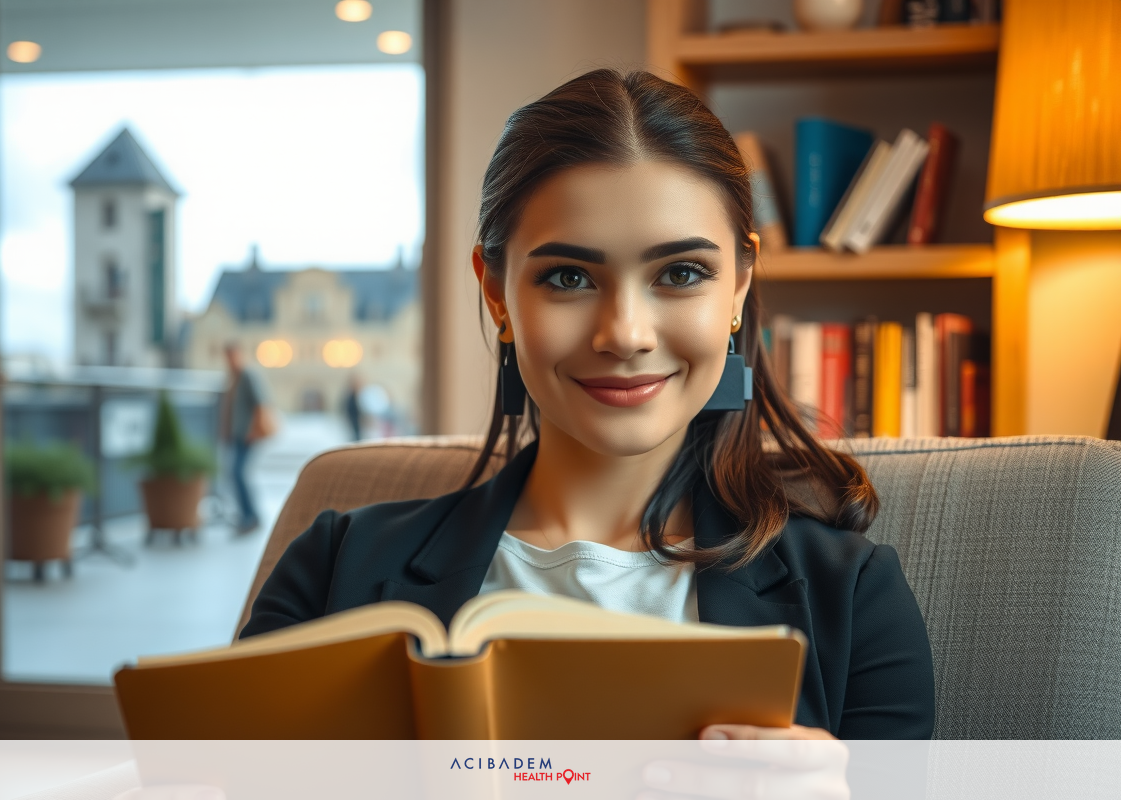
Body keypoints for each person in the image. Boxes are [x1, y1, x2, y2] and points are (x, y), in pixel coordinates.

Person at [241, 71, 934, 744]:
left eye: (681, 273)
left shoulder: (856, 599)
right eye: (568, 277)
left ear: (739, 287)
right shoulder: (333, 565)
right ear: (496, 292)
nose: (625, 334)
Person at [220, 343, 271, 534]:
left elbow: (260, 403)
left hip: (247, 435)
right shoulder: (232, 378)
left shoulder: (247, 375)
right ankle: (249, 515)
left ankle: (250, 516)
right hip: (236, 434)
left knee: (238, 473)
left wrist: (253, 430)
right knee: (237, 474)